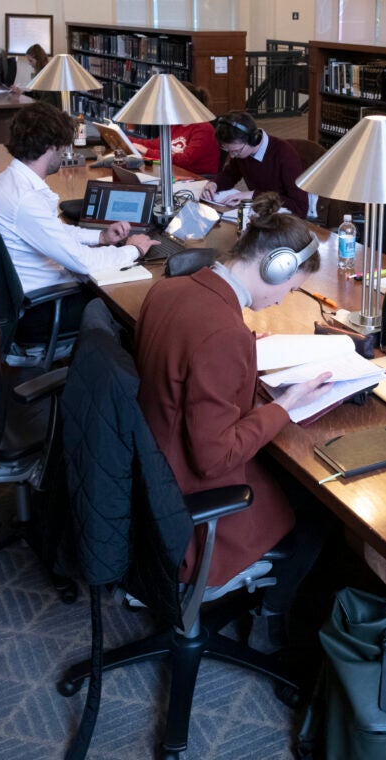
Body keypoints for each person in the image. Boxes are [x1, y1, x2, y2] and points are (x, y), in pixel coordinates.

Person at [134, 192, 332, 649]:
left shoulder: (172, 287)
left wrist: (240, 350)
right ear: (275, 268)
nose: (285, 299)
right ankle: (272, 617)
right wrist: (285, 405)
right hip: (190, 508)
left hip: (151, 473)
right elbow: (215, 456)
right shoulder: (222, 333)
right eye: (291, 286)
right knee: (320, 506)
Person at [0, 102, 158, 329]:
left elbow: (53, 230)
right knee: (129, 307)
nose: (66, 153)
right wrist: (134, 249)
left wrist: (101, 238)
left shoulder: (6, 182)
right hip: (42, 307)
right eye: (64, 146)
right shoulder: (26, 200)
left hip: (24, 294)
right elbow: (83, 262)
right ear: (51, 147)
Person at [201, 111, 309, 217]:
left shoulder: (284, 154)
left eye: (235, 151)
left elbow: (300, 207)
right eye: (228, 150)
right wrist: (215, 184)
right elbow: (230, 174)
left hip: (283, 220)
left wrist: (253, 195)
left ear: (253, 139)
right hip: (261, 211)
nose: (232, 156)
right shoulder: (243, 152)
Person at [127, 81, 219, 174]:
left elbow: (185, 160)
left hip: (196, 178)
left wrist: (147, 151)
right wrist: (125, 139)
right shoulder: (177, 124)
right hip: (175, 172)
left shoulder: (204, 129)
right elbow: (157, 144)